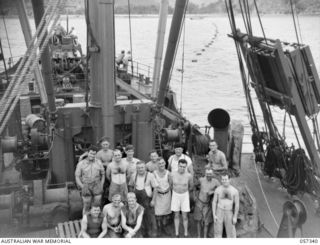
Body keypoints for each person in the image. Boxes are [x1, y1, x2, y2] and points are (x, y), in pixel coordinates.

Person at [128, 161, 158, 237]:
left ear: (145, 167)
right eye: (138, 168)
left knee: (149, 216)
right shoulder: (133, 175)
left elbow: (155, 188)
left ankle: (151, 233)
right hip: (137, 199)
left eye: (142, 167)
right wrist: (132, 197)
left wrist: (153, 200)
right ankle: (140, 233)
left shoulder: (150, 175)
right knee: (138, 216)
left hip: (147, 199)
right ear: (136, 168)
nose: (140, 169)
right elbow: (131, 186)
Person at [75, 145, 105, 214]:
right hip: (86, 185)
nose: (92, 155)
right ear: (87, 153)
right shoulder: (81, 163)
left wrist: (101, 185)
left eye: (94, 154)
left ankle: (95, 221)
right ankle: (85, 220)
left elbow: (103, 174)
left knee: (97, 205)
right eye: (91, 153)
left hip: (97, 185)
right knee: (87, 205)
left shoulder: (99, 162)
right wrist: (83, 187)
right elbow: (77, 176)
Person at [194, 167, 220, 238]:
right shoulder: (201, 180)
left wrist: (213, 191)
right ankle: (199, 236)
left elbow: (221, 189)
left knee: (206, 223)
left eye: (210, 174)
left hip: (207, 204)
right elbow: (195, 186)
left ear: (213, 174)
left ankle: (205, 237)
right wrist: (195, 196)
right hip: (199, 202)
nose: (209, 175)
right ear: (205, 174)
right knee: (198, 220)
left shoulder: (215, 181)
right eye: (207, 174)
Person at [212, 172, 239, 238]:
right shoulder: (218, 189)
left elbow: (237, 205)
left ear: (229, 179)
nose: (224, 181)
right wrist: (214, 215)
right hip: (219, 211)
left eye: (226, 179)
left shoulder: (234, 191)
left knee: (231, 233)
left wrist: (235, 216)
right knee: (218, 232)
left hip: (229, 212)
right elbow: (214, 202)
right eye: (223, 179)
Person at [171, 159, 194, 237]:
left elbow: (191, 187)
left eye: (184, 167)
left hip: (184, 195)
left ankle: (186, 233)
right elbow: (171, 185)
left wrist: (184, 191)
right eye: (180, 166)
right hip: (175, 195)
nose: (182, 168)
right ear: (178, 165)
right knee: (176, 215)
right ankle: (177, 233)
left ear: (186, 167)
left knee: (185, 216)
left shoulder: (189, 176)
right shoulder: (172, 174)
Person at [152, 157, 172, 237]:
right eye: (159, 163)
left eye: (162, 163)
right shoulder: (154, 173)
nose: (161, 165)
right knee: (158, 214)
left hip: (167, 195)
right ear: (157, 165)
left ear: (165, 163)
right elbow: (154, 187)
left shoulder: (168, 173)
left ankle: (164, 228)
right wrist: (153, 199)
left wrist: (167, 189)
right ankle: (159, 229)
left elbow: (170, 184)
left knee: (166, 213)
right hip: (158, 195)